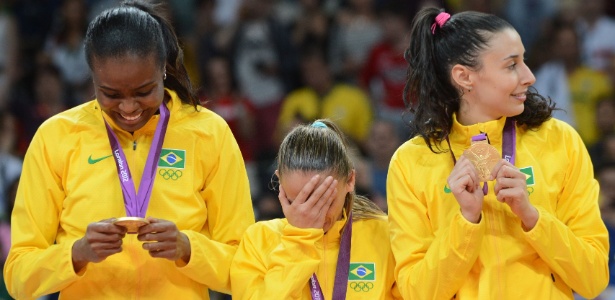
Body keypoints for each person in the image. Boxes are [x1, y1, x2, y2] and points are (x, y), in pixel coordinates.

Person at [3, 1, 255, 299]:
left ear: (163, 70)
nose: (128, 107)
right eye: (110, 94)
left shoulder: (209, 133)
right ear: (92, 79)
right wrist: (75, 254)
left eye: (143, 91)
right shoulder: (56, 136)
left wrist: (189, 249)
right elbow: (19, 277)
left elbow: (245, 267)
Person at [387, 7, 609, 299]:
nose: (529, 76)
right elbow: (418, 292)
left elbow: (593, 279)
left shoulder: (560, 140)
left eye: (524, 60)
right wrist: (466, 221)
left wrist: (532, 217)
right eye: (511, 65)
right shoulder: (410, 162)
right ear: (464, 77)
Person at [231, 119, 400, 299]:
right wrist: (298, 241)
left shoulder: (387, 235)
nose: (312, 214)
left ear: (350, 180)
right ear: (280, 182)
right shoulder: (258, 240)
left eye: (324, 201)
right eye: (299, 201)